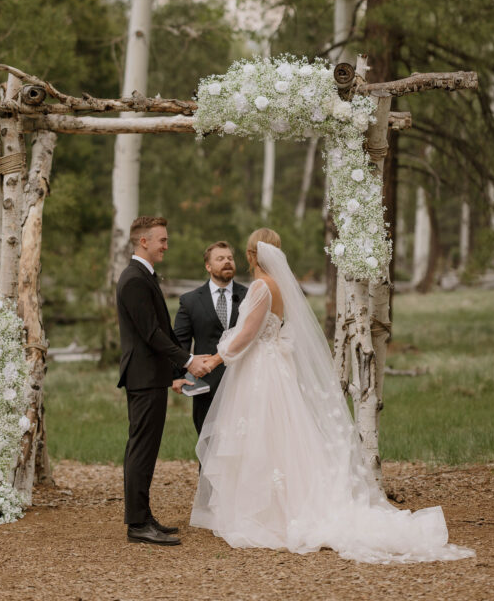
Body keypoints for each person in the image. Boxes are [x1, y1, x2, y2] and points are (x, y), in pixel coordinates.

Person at [190, 227, 475, 564]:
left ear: (252, 255)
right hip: (273, 368)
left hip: (259, 371)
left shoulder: (260, 287)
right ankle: (276, 505)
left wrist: (215, 358)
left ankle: (268, 514)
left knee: (261, 436)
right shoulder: (281, 286)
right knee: (280, 436)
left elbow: (247, 335)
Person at [116, 215, 211, 546]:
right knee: (141, 450)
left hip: (153, 376)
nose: (166, 245)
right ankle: (138, 524)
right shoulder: (133, 280)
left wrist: (177, 372)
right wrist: (187, 360)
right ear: (144, 241)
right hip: (142, 377)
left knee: (147, 448)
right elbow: (151, 334)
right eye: (162, 240)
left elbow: (163, 330)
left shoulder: (144, 277)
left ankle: (143, 517)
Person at [173, 241, 248, 434]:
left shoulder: (250, 296)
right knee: (207, 446)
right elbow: (180, 343)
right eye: (220, 259)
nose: (227, 262)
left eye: (230, 258)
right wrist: (177, 376)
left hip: (244, 382)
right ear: (208, 266)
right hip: (206, 385)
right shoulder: (189, 300)